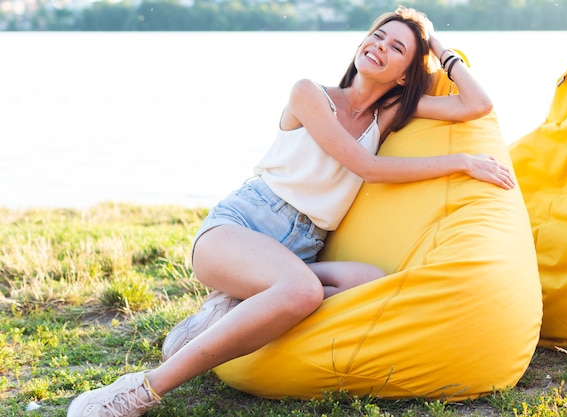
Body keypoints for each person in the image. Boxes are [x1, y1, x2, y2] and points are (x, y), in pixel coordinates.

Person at [67, 6, 515, 417]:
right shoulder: (310, 94)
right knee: (302, 292)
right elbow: (366, 167)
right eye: (377, 36)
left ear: (404, 76)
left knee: (374, 285)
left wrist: (437, 46)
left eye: (397, 47)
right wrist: (461, 161)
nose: (379, 46)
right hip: (241, 225)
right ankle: (139, 390)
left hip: (302, 248)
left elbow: (476, 105)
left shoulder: (393, 110)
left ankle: (233, 309)